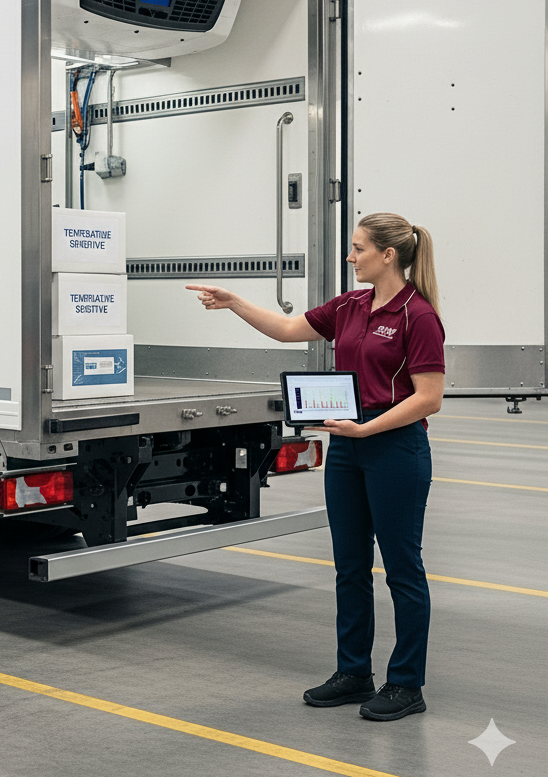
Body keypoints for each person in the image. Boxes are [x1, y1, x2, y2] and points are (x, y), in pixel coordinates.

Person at [188, 212, 445, 722]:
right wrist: (235, 302)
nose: (351, 257)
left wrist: (367, 429)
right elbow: (288, 329)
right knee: (350, 565)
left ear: (388, 255)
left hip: (395, 448)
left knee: (402, 569)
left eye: (358, 249)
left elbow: (429, 398)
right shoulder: (351, 306)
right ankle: (353, 672)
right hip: (348, 446)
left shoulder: (418, 316)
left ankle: (406, 683)